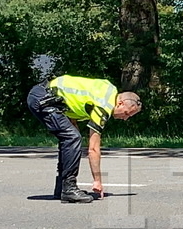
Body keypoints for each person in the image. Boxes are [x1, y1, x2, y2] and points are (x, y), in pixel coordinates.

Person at [26, 75, 142, 203]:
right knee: (72, 138)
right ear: (120, 103)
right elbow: (93, 149)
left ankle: (62, 188)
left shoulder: (108, 90)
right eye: (126, 113)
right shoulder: (104, 105)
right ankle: (69, 189)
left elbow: (72, 106)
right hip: (43, 98)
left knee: (71, 138)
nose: (125, 118)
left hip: (45, 96)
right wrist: (97, 181)